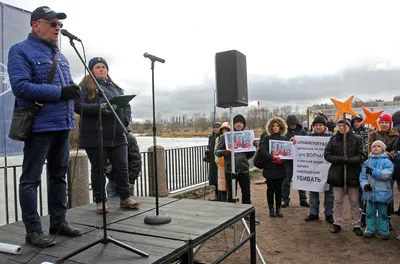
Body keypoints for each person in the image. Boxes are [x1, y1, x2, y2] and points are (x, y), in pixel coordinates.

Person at [7, 6, 82, 247]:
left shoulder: (62, 56)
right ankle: (33, 230)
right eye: (52, 23)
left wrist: (74, 93)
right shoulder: (20, 50)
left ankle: (58, 222)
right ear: (36, 25)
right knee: (31, 179)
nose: (57, 27)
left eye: (59, 24)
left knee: (59, 176)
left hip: (62, 124)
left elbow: (67, 88)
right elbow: (21, 87)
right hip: (39, 126)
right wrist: (62, 92)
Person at [75, 57, 140, 213]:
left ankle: (125, 197)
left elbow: (127, 106)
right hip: (95, 135)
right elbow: (77, 106)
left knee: (122, 166)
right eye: (98, 67)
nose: (101, 69)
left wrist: (125, 120)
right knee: (98, 169)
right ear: (91, 70)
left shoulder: (114, 87)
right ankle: (100, 201)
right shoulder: (84, 87)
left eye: (104, 66)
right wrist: (99, 108)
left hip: (117, 133)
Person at [215, 114, 258, 224]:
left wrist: (253, 147)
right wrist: (224, 152)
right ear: (234, 124)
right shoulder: (227, 136)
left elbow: (249, 155)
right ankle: (231, 218)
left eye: (241, 122)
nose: (239, 124)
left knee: (246, 193)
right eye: (237, 122)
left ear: (244, 124)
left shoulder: (247, 136)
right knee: (231, 194)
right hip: (230, 170)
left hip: (243, 169)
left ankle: (247, 215)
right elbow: (217, 152)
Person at [324, 119, 364, 235]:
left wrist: (350, 161)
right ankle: (337, 223)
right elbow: (327, 155)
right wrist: (340, 160)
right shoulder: (334, 139)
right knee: (337, 201)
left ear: (348, 127)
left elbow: (361, 155)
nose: (341, 128)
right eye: (339, 125)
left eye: (343, 125)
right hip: (338, 174)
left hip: (352, 174)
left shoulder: (357, 139)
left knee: (354, 201)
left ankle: (356, 224)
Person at [368, 114, 398, 230]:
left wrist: (389, 154)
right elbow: (369, 147)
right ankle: (368, 219)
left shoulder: (395, 136)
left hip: (388, 167)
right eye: (382, 122)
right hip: (373, 166)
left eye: (387, 122)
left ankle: (387, 219)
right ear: (379, 123)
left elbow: (396, 149)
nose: (384, 124)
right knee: (371, 192)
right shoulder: (373, 134)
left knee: (387, 194)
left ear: (390, 124)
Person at [360, 140, 394, 240]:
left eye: (378, 146)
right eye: (374, 146)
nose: (375, 148)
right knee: (370, 212)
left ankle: (384, 230)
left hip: (382, 192)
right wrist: (365, 185)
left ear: (383, 149)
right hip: (370, 192)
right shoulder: (367, 162)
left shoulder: (387, 162)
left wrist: (373, 171)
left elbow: (387, 174)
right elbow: (363, 176)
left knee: (383, 213)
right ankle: (370, 229)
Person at [304, 116, 334, 224]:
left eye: (320, 125)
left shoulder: (332, 137)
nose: (318, 127)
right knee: (313, 191)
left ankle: (329, 214)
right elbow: (301, 145)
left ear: (324, 126)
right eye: (316, 125)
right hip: (313, 168)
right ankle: (313, 213)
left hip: (328, 168)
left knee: (329, 193)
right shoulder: (308, 136)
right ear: (313, 126)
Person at [259, 117, 288, 217]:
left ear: (281, 127)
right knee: (270, 189)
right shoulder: (267, 138)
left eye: (277, 126)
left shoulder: (284, 139)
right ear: (271, 127)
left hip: (280, 168)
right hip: (270, 167)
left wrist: (281, 160)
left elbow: (287, 153)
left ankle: (278, 208)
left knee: (279, 189)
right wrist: (272, 158)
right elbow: (262, 150)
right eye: (273, 126)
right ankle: (271, 208)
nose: (275, 128)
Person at [282, 115, 309, 208]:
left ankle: (303, 199)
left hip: (300, 161)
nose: (293, 125)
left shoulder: (303, 132)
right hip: (288, 161)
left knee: (301, 180)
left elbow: (308, 142)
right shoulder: (284, 133)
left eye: (294, 124)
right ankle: (285, 199)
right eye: (291, 124)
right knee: (286, 181)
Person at [106, 130, 141, 199]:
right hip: (112, 179)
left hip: (126, 180)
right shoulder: (108, 136)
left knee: (127, 204)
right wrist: (108, 173)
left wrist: (131, 180)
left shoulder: (129, 137)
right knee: (111, 205)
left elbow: (136, 161)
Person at [203, 121, 221, 201]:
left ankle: (221, 196)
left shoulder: (221, 136)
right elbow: (210, 148)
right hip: (212, 161)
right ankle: (216, 195)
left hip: (219, 160)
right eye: (214, 127)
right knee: (214, 179)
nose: (216, 129)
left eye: (217, 127)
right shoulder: (211, 137)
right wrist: (207, 154)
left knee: (219, 178)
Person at [214, 122, 230, 202]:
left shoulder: (231, 138)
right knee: (221, 183)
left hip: (228, 163)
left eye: (226, 130)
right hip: (220, 162)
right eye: (223, 130)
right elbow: (216, 151)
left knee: (228, 183)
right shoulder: (218, 139)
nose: (225, 131)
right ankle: (221, 200)